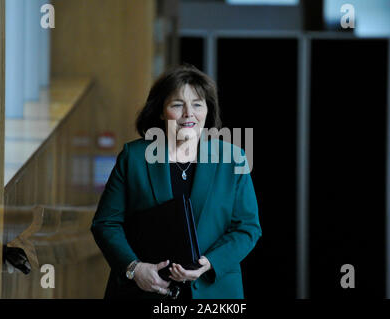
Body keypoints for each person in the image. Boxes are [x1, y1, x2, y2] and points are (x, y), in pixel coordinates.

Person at [91, 64, 262, 299]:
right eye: (177, 104)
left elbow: (247, 227)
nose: (188, 113)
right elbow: (105, 223)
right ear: (161, 111)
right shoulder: (134, 157)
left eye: (197, 104)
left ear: (207, 110)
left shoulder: (233, 159)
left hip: (214, 292)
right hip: (143, 290)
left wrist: (210, 262)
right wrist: (134, 269)